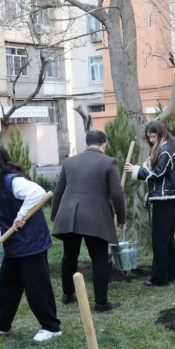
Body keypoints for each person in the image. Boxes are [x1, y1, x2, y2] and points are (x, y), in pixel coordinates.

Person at [0, 145, 62, 342]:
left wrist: (22, 215)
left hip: (32, 243)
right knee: (7, 284)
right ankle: (1, 323)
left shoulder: (13, 181)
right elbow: (4, 220)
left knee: (37, 287)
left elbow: (39, 193)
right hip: (15, 244)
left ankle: (51, 327)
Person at [51, 130, 126, 310]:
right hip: (96, 217)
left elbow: (58, 191)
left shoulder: (69, 162)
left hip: (69, 216)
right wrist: (121, 218)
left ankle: (67, 294)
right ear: (104, 144)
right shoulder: (109, 162)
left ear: (86, 145)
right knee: (99, 259)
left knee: (69, 255)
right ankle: (101, 303)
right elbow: (117, 193)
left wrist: (55, 215)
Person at [126, 121, 175, 286]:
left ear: (161, 134)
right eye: (149, 137)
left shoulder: (165, 150)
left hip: (163, 200)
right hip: (167, 199)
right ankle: (171, 273)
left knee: (160, 240)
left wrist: (137, 171)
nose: (151, 140)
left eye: (153, 136)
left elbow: (159, 174)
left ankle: (160, 278)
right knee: (167, 238)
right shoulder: (166, 148)